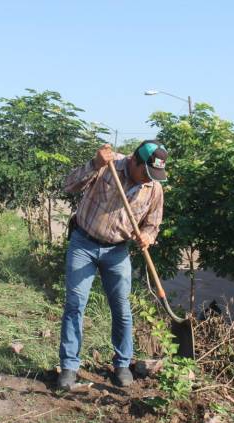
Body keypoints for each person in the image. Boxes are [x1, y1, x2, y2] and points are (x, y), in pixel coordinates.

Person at [58, 141, 167, 390]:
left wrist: (147, 237)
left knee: (121, 308)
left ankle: (122, 364)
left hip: (117, 251)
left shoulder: (154, 188)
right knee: (75, 305)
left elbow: (153, 224)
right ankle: (69, 366)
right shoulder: (108, 165)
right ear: (134, 160)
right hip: (83, 243)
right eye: (146, 172)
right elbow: (69, 184)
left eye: (154, 175)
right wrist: (94, 164)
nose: (149, 179)